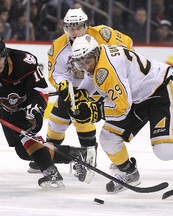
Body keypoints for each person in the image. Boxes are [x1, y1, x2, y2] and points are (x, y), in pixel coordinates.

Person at [69, 34, 173, 193]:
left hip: (161, 91)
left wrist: (97, 112)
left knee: (165, 150)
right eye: (81, 62)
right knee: (108, 137)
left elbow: (122, 109)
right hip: (138, 98)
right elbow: (94, 79)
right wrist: (80, 93)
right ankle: (128, 172)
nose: (86, 66)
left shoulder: (106, 70)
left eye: (88, 61)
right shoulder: (99, 55)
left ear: (95, 54)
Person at [0, 34, 91, 189]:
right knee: (23, 152)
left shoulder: (23, 61)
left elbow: (40, 89)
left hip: (28, 104)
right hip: (5, 107)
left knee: (27, 138)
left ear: (5, 54)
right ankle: (76, 154)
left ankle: (51, 173)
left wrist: (36, 106)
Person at [37, 8, 134, 183]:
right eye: (70, 27)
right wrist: (63, 85)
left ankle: (89, 158)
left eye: (78, 27)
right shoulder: (57, 46)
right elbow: (56, 73)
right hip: (74, 87)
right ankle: (49, 155)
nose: (74, 31)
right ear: (65, 28)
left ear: (86, 25)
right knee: (56, 121)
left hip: (99, 82)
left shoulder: (103, 34)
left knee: (82, 115)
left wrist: (116, 70)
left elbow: (126, 44)